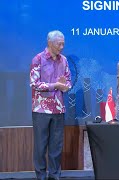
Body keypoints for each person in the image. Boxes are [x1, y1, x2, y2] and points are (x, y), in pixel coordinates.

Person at [30, 30, 71, 180]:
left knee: (56, 146)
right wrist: (56, 85)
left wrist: (66, 86)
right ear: (49, 43)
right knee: (40, 146)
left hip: (59, 109)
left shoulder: (64, 60)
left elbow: (68, 81)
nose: (61, 47)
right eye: (58, 44)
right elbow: (35, 84)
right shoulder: (38, 59)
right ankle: (41, 176)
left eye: (63, 44)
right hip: (41, 109)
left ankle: (55, 175)